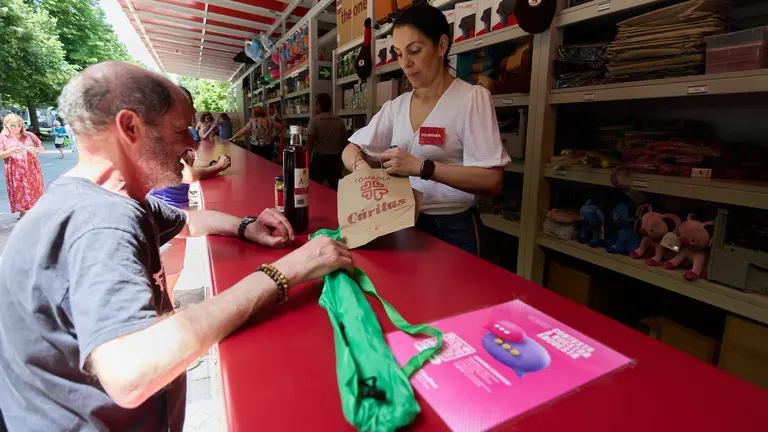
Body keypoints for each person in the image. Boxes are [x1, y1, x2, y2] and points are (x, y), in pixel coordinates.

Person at [0, 62, 352, 431]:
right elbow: (130, 373)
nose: (193, 143)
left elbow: (187, 221)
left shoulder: (109, 199)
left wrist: (245, 226)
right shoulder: (101, 222)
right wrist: (285, 271)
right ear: (130, 127)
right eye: (181, 129)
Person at [341, 4, 510, 256]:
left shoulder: (471, 98)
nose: (405, 64)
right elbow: (350, 149)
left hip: (454, 228)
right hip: (402, 221)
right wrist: (362, 170)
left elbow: (492, 180)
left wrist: (422, 167)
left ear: (441, 45)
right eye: (399, 54)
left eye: (414, 51)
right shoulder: (397, 107)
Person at [148, 88, 231, 209]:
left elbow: (189, 160)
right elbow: (188, 175)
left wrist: (212, 163)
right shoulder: (167, 136)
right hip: (168, 208)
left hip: (176, 207)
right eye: (190, 104)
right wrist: (218, 167)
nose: (195, 110)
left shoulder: (178, 132)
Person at [0, 113, 46, 219]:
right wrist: (9, 151)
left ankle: (36, 211)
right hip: (14, 170)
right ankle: (22, 212)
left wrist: (36, 150)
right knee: (18, 190)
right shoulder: (2, 138)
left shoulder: (29, 135)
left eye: (19, 125)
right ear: (6, 125)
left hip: (32, 168)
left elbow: (43, 149)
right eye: (12, 125)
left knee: (35, 189)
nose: (16, 128)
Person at [307, 93, 347, 191]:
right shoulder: (339, 121)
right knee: (336, 188)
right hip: (335, 159)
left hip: (319, 160)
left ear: (319, 106)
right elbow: (344, 141)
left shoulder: (314, 121)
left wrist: (306, 162)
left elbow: (309, 143)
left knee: (315, 187)